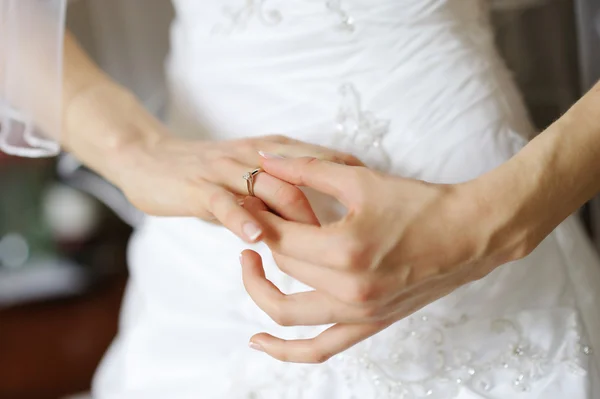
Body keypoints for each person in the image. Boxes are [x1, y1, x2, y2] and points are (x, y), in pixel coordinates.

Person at [2, 0, 600, 398]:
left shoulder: (494, 221)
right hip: (206, 252)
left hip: (473, 205)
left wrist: (497, 221)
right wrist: (134, 150)